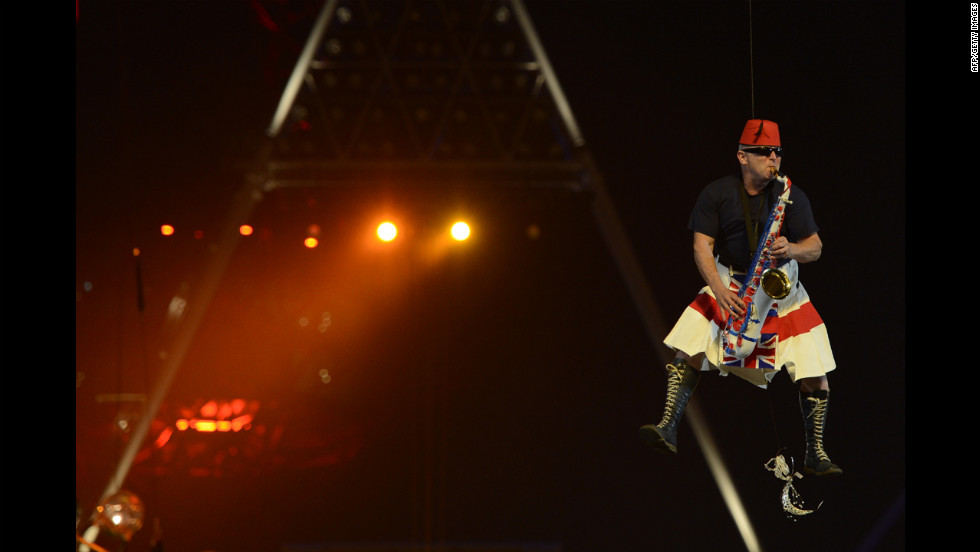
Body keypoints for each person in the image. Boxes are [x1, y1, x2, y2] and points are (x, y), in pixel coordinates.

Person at [639, 119, 842, 477]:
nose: (772, 158)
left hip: (782, 289)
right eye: (763, 152)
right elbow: (701, 245)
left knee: (816, 370)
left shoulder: (789, 194)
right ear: (742, 156)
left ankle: (816, 453)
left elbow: (816, 247)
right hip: (731, 282)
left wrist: (791, 248)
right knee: (690, 343)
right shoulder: (717, 193)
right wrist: (719, 290)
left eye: (776, 152)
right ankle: (668, 427)